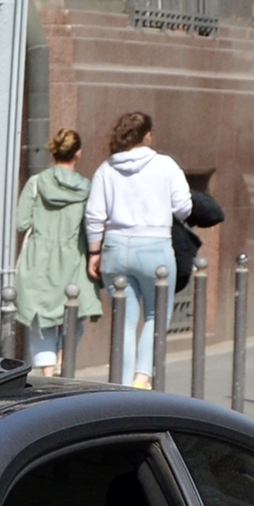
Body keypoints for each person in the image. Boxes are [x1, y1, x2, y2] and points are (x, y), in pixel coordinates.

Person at [83, 111, 191, 389]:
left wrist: (94, 252)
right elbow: (183, 207)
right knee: (157, 316)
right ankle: (142, 377)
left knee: (124, 321)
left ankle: (121, 385)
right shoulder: (165, 165)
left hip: (115, 248)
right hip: (155, 248)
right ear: (148, 136)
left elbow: (94, 214)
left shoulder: (106, 168)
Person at [15, 128, 97, 375]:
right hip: (73, 255)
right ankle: (63, 358)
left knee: (40, 322)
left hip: (38, 258)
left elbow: (21, 223)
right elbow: (92, 224)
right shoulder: (87, 188)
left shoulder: (37, 183)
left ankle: (48, 375)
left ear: (53, 152)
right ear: (78, 153)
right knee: (75, 313)